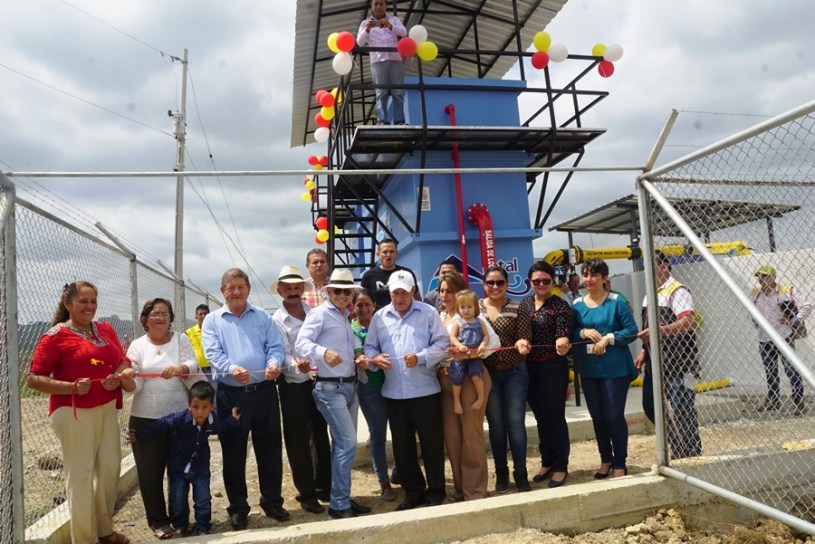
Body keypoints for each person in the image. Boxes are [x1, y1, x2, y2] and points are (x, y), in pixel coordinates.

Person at [27, 281, 135, 544]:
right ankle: (85, 539)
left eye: (93, 301)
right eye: (82, 301)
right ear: (67, 304)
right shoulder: (55, 336)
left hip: (107, 409)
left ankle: (104, 529)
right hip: (74, 413)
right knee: (81, 476)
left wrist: (117, 376)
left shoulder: (105, 329)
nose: (89, 307)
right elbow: (33, 379)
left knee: (110, 469)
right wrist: (71, 388)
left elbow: (121, 361)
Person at [202, 268, 289, 530]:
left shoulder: (263, 317)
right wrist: (231, 369)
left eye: (241, 286)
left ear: (248, 289)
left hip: (264, 393)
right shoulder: (213, 321)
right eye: (231, 287)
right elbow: (212, 352)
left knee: (270, 450)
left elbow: (275, 347)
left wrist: (274, 364)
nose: (236, 292)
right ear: (223, 291)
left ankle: (272, 501)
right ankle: (238, 508)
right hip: (231, 395)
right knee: (233, 452)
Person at [364, 270, 450, 510]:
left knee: (432, 444)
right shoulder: (380, 317)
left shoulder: (428, 313)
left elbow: (443, 345)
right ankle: (414, 492)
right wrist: (375, 358)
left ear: (413, 291)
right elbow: (369, 347)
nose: (399, 298)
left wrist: (422, 357)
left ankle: (436, 490)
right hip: (394, 393)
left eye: (404, 292)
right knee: (402, 447)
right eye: (395, 293)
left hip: (425, 391)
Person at [295, 269, 373, 519]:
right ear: (328, 292)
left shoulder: (344, 317)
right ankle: (339, 503)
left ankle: (343, 497)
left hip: (348, 386)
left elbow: (350, 347)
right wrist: (323, 352)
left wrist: (359, 357)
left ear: (352, 293)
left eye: (346, 291)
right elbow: (301, 344)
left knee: (343, 445)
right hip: (330, 387)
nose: (342, 295)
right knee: (348, 443)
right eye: (337, 290)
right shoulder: (319, 314)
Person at [127, 298, 201, 540]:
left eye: (165, 314)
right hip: (145, 420)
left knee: (179, 472)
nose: (160, 318)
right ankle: (158, 521)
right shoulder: (137, 346)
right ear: (145, 318)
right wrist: (127, 380)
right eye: (155, 314)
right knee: (150, 474)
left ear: (171, 318)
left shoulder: (180, 339)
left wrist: (180, 368)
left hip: (179, 418)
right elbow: (136, 384)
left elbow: (192, 363)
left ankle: (180, 520)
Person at [128, 381, 241, 537]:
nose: (200, 412)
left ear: (211, 406)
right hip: (178, 469)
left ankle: (203, 527)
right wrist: (140, 435)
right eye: (195, 407)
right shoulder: (179, 419)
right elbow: (160, 424)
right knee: (178, 500)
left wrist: (233, 420)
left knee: (202, 500)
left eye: (204, 407)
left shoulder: (212, 421)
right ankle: (181, 526)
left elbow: (220, 428)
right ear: (189, 405)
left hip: (201, 469)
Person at [270, 265, 331, 514]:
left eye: (297, 287)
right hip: (293, 384)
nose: (293, 292)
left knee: (320, 434)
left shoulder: (314, 312)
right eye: (288, 288)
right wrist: (298, 366)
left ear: (302, 290)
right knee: (298, 440)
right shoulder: (276, 319)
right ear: (281, 291)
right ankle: (306, 493)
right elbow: (281, 352)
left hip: (319, 381)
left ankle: (325, 486)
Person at [572, 259, 639, 479]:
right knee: (598, 417)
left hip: (615, 370)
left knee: (613, 415)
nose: (588, 280)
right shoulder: (577, 304)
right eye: (585, 275)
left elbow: (631, 330)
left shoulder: (616, 301)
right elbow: (570, 332)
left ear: (604, 278)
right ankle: (605, 460)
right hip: (590, 370)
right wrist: (582, 333)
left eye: (593, 275)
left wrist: (609, 338)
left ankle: (620, 463)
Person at [635, 250, 702, 460]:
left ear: (664, 266)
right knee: (651, 406)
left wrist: (658, 331)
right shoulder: (651, 294)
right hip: (656, 362)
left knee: (681, 408)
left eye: (651, 265)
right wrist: (644, 351)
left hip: (679, 362)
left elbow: (688, 322)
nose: (647, 270)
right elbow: (649, 328)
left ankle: (690, 451)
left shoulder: (677, 291)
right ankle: (677, 444)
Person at [436, 274, 495, 501]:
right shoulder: (439, 316)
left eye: (449, 291)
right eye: (441, 291)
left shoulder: (473, 316)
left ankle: (475, 491)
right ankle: (461, 489)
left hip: (471, 379)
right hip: (445, 380)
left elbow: (494, 343)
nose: (444, 295)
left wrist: (470, 352)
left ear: (460, 292)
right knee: (452, 437)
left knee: (471, 436)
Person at [519, 261, 574, 488]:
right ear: (529, 282)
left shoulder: (560, 306)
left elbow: (563, 332)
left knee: (555, 417)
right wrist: (521, 342)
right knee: (540, 417)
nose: (541, 284)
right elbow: (521, 332)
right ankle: (547, 461)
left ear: (552, 282)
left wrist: (562, 341)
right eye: (536, 281)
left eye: (546, 281)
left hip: (553, 368)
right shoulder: (524, 304)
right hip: (529, 369)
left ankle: (561, 466)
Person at [479, 265, 532, 493]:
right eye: (490, 283)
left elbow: (524, 335)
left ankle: (521, 473)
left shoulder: (517, 307)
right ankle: (501, 473)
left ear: (507, 284)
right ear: (484, 285)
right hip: (488, 375)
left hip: (514, 372)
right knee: (496, 426)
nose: (495, 287)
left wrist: (523, 342)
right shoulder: (477, 308)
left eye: (500, 282)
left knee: (516, 425)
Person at [351, 289, 397, 501]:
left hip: (393, 384)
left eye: (367, 304)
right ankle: (384, 482)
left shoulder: (384, 326)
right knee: (378, 435)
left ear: (374, 305)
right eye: (359, 305)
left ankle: (398, 471)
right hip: (369, 388)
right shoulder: (350, 330)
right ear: (353, 307)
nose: (364, 309)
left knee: (400, 431)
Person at [752, 264, 812, 415]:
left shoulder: (786, 291)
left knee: (791, 369)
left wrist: (793, 321)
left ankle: (798, 402)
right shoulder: (756, 294)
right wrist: (755, 321)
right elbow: (752, 310)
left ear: (773, 277)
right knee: (770, 371)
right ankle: (773, 400)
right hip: (765, 339)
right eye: (759, 276)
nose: (761, 279)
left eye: (764, 276)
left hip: (784, 337)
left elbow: (807, 306)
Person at [356, 0, 407, 125]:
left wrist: (390, 26)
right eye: (376, 4)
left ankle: (400, 121)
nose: (378, 6)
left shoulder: (393, 20)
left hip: (395, 59)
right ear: (372, 7)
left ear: (386, 6)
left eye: (381, 4)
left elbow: (404, 32)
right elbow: (359, 42)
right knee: (381, 92)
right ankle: (382, 121)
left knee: (398, 92)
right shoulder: (365, 23)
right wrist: (367, 29)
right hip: (378, 61)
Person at [449, 290, 488, 415]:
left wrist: (482, 345)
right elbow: (453, 337)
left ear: (475, 307)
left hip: (475, 355)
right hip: (460, 356)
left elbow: (486, 336)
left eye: (469, 307)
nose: (466, 310)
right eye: (462, 307)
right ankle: (456, 401)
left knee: (476, 376)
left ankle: (481, 397)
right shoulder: (458, 322)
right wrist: (460, 346)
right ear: (458, 308)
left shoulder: (479, 321)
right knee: (457, 377)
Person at [361, 238, 420, 309]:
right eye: (385, 252)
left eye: (392, 251)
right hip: (378, 318)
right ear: (378, 254)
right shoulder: (368, 276)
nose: (388, 255)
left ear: (396, 254)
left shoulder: (407, 274)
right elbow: (362, 301)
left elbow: (417, 299)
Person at [186, 304, 212, 378]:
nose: (203, 316)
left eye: (205, 314)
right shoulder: (189, 332)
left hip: (213, 369)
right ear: (196, 317)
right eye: (200, 314)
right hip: (196, 369)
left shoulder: (216, 331)